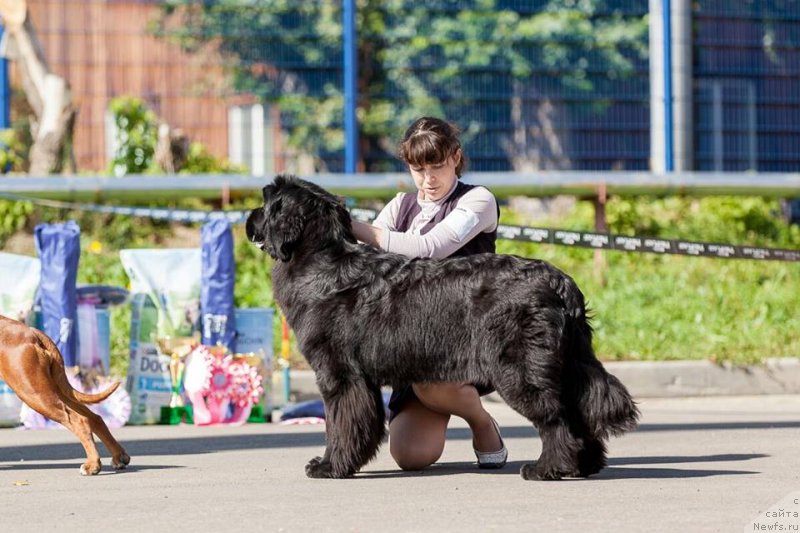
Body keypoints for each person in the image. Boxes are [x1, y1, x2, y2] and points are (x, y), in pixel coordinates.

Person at [351, 116, 507, 470]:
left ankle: (482, 423)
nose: (428, 179)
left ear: (456, 156)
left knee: (430, 379)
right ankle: (441, 400)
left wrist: (349, 225)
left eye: (437, 166)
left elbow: (430, 247)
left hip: (469, 333)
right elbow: (373, 261)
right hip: (414, 336)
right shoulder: (399, 205)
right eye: (418, 169)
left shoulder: (478, 200)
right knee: (410, 455)